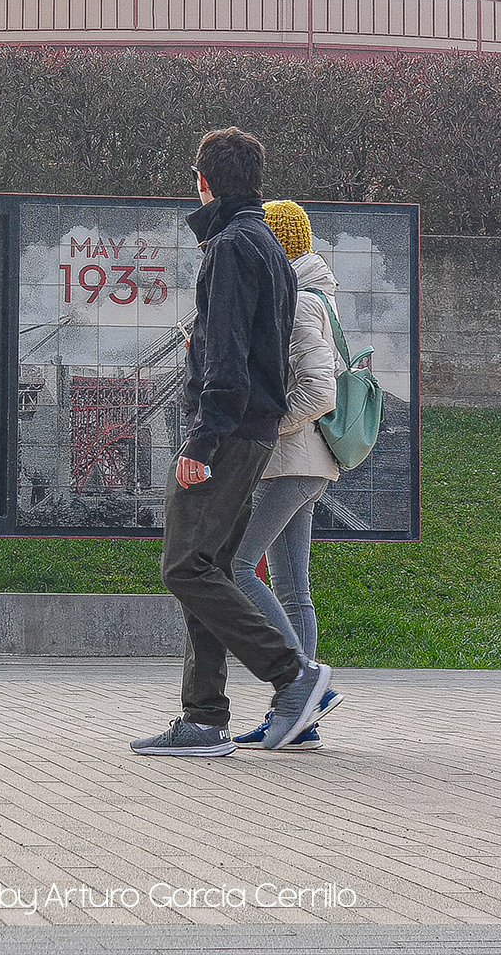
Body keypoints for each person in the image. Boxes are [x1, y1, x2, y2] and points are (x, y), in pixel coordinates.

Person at [130, 128, 337, 757]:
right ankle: (203, 720)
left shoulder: (229, 248)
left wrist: (200, 440)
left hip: (225, 434)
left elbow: (226, 360)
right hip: (254, 434)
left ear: (204, 180)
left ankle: (291, 674)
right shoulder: (269, 248)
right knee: (212, 567)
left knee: (182, 565)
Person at [231, 199, 345, 749]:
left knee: (237, 567)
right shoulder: (312, 294)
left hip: (292, 461)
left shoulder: (298, 301)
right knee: (294, 588)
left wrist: (267, 429)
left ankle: (302, 682)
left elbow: (319, 390)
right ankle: (300, 718)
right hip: (305, 464)